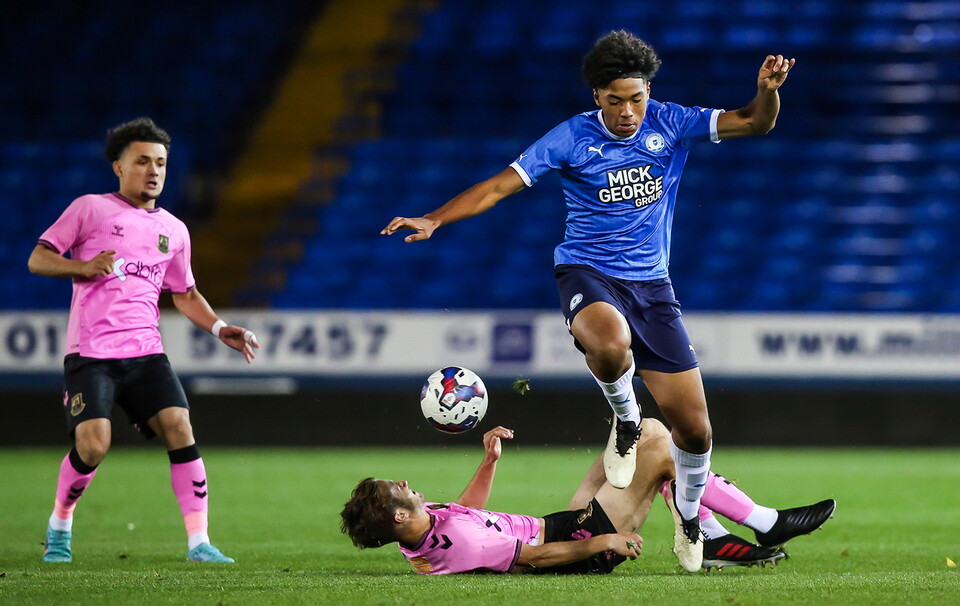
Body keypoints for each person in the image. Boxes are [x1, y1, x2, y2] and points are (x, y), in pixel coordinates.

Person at [381, 30, 797, 570]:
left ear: (649, 90)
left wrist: (767, 90)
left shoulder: (671, 122)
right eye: (615, 100)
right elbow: (499, 186)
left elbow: (756, 121)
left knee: (695, 432)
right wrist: (435, 217)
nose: (628, 112)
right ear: (596, 97)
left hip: (653, 288)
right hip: (587, 272)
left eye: (637, 98)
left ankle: (693, 521)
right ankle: (626, 422)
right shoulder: (571, 138)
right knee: (609, 342)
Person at [28, 117, 259, 564]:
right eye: (142, 161)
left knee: (180, 425)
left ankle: (199, 543)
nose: (153, 171)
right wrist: (83, 267)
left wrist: (218, 327)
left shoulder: (173, 229)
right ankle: (60, 524)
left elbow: (185, 293)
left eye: (161, 163)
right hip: (91, 354)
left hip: (146, 353)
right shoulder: (90, 209)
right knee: (93, 445)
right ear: (119, 167)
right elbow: (39, 258)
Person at [340, 420, 835, 574]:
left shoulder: (426, 533)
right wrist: (602, 544)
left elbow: (471, 511)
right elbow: (534, 559)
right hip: (576, 541)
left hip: (561, 521)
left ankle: (712, 538)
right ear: (398, 513)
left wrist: (488, 462)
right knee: (662, 450)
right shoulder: (462, 546)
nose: (404, 483)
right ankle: (763, 522)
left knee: (641, 430)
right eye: (396, 489)